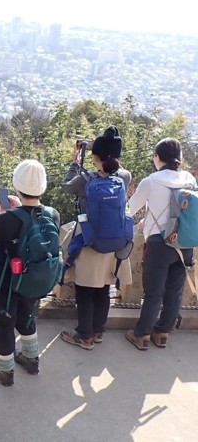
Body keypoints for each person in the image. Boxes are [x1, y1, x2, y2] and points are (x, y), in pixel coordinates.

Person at [0, 159, 59, 387]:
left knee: (4, 323)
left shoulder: (9, 219)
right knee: (27, 316)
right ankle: (31, 358)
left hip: (8, 282)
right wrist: (19, 208)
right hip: (36, 279)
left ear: (16, 185)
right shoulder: (51, 213)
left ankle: (5, 369)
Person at [60, 127, 133, 349]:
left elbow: (66, 188)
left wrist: (75, 162)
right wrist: (100, 147)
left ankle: (84, 336)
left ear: (95, 157)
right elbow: (111, 162)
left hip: (89, 241)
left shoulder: (84, 179)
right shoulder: (124, 176)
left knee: (85, 290)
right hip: (114, 243)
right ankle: (98, 331)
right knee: (104, 287)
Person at [125, 138, 196, 350]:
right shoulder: (189, 179)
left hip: (158, 243)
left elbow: (129, 209)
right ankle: (163, 332)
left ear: (158, 158)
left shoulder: (151, 181)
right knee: (174, 291)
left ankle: (142, 335)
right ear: (180, 159)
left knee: (153, 293)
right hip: (185, 243)